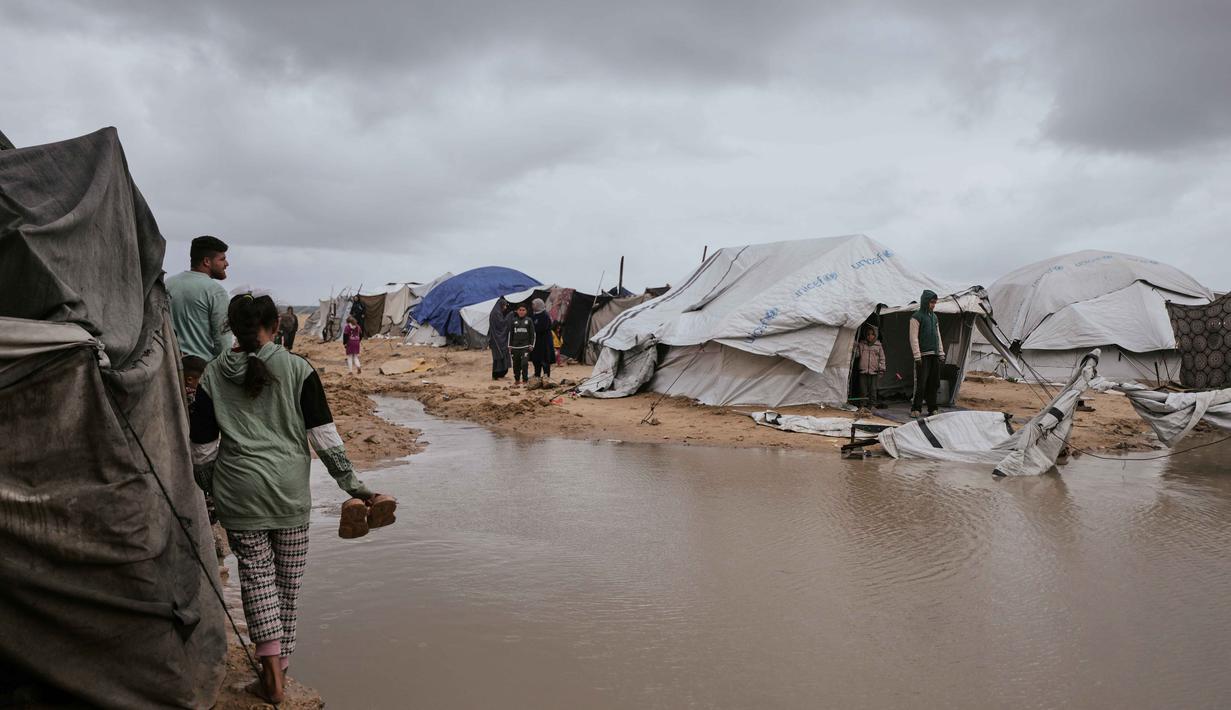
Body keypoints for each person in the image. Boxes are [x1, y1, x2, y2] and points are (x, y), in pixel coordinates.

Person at [189, 294, 394, 704]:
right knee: (287, 586)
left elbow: (202, 449)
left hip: (239, 492)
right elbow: (325, 440)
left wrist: (212, 493)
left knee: (257, 580)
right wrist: (358, 490)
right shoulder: (299, 369)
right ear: (277, 327)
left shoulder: (213, 374)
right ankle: (279, 671)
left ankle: (270, 675)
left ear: (230, 327)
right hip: (289, 493)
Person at [166, 235, 231, 360]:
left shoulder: (168, 284)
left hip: (170, 367)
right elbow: (223, 342)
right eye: (222, 259)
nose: (226, 264)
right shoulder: (216, 291)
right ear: (207, 261)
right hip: (201, 370)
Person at [909, 289, 945, 418]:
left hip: (934, 354)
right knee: (921, 383)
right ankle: (916, 408)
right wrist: (917, 355)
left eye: (935, 303)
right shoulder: (916, 317)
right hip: (923, 355)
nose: (933, 305)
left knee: (934, 383)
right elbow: (913, 338)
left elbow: (938, 335)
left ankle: (932, 408)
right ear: (925, 302)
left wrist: (941, 352)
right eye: (931, 302)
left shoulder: (934, 317)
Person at [856, 325, 886, 409]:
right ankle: (863, 404)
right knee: (863, 389)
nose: (870, 336)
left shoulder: (878, 345)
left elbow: (882, 358)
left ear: (875, 335)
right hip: (863, 370)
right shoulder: (862, 344)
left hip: (874, 371)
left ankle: (872, 405)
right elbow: (857, 355)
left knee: (873, 389)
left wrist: (882, 369)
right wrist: (855, 347)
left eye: (872, 334)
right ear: (865, 335)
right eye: (868, 334)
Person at [507, 303, 535, 384]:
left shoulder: (529, 320)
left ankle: (525, 380)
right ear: (517, 311)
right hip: (515, 347)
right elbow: (510, 333)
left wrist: (531, 345)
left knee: (524, 363)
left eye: (523, 310)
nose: (521, 312)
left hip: (525, 346)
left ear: (526, 311)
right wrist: (509, 345)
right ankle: (517, 380)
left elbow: (533, 334)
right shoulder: (513, 320)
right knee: (516, 365)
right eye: (520, 310)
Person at [529, 298, 555, 382]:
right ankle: (537, 375)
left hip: (544, 341)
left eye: (534, 304)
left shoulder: (545, 315)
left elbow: (543, 327)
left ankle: (546, 376)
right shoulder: (534, 315)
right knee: (536, 359)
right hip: (536, 342)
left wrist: (534, 329)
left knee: (545, 359)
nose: (532, 306)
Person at [488, 299, 511, 380]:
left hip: (499, 338)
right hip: (497, 339)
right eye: (504, 305)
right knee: (499, 356)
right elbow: (501, 324)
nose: (505, 307)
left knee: (502, 355)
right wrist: (509, 317)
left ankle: (501, 374)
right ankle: (497, 374)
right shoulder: (496, 313)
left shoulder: (497, 312)